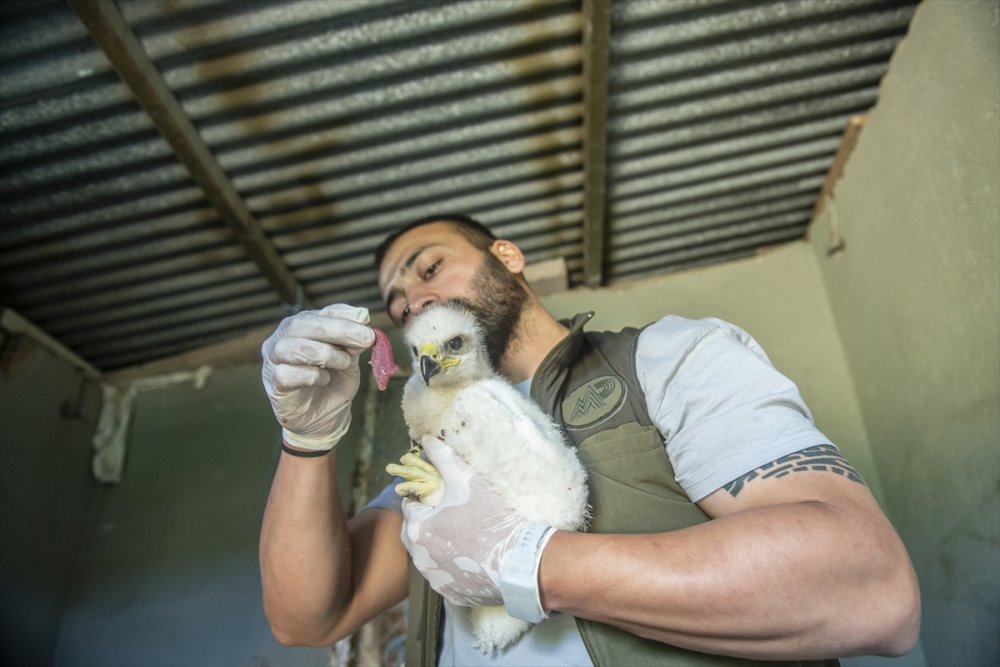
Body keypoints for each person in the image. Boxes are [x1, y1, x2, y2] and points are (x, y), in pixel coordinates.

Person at [259, 214, 920, 666]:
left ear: (508, 258)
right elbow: (310, 615)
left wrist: (524, 562)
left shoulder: (669, 358)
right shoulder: (440, 457)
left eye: (430, 268)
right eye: (397, 304)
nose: (413, 304)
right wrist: (308, 436)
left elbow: (869, 585)